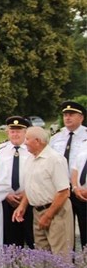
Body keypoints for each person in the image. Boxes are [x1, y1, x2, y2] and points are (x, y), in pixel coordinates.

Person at [13, 126, 73, 256]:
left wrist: (48, 216)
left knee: (60, 256)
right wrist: (22, 206)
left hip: (56, 212)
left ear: (38, 141)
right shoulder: (31, 159)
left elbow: (64, 192)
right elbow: (32, 186)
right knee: (42, 257)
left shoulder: (55, 160)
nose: (25, 142)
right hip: (38, 212)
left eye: (27, 139)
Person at [49, 100, 86, 249]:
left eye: (71, 114)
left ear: (81, 117)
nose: (67, 118)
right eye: (65, 115)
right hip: (61, 190)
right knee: (65, 231)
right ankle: (67, 266)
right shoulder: (56, 138)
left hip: (82, 191)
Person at [0, 116, 34, 248]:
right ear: (7, 132)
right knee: (10, 240)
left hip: (29, 201)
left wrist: (27, 194)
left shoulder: (32, 152)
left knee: (31, 238)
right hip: (7, 201)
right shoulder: (0, 152)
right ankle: (12, 266)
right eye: (12, 131)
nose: (15, 134)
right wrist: (6, 195)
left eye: (19, 131)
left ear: (25, 132)